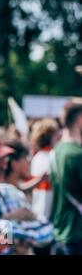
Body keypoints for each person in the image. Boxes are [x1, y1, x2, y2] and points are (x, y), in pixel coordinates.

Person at [0, 135, 53, 255]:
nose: (4, 165)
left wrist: (6, 228)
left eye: (5, 159)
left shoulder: (11, 193)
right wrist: (8, 221)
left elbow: (46, 232)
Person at [51, 100, 82, 255]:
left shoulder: (56, 150)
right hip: (76, 234)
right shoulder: (77, 154)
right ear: (79, 120)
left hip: (59, 233)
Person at [30, 118, 60, 220]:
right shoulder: (53, 156)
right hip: (49, 213)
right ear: (50, 137)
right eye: (56, 134)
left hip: (36, 210)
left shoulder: (36, 157)